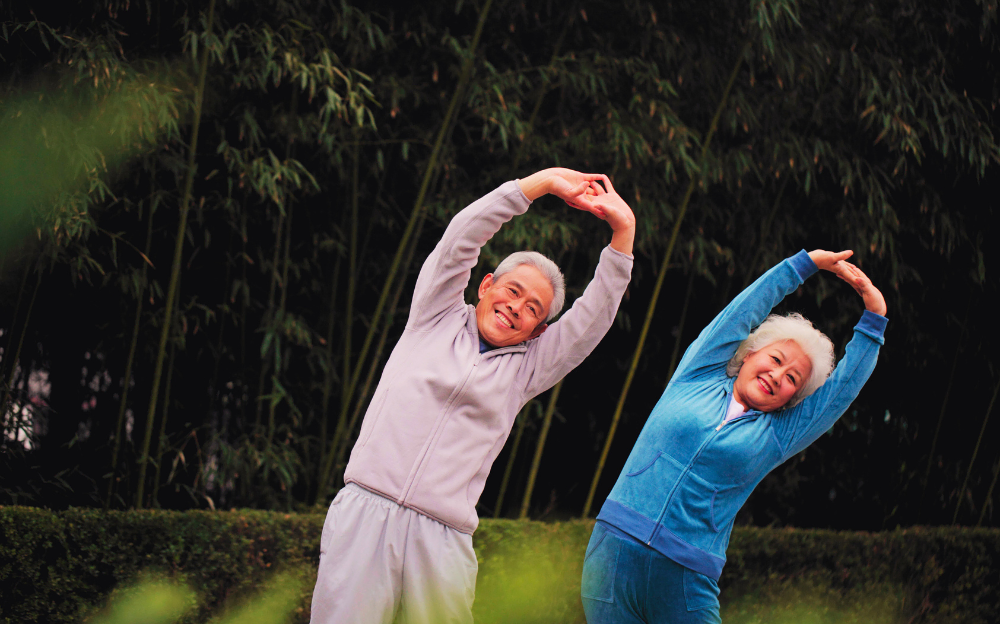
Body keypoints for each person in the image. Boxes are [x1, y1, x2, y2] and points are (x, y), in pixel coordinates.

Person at [310, 168, 636, 624]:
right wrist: (539, 184)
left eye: (532, 310)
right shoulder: (434, 315)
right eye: (511, 291)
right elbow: (460, 238)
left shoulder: (527, 367)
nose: (515, 308)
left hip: (442, 537)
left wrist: (623, 232)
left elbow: (592, 319)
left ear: (539, 330)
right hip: (367, 510)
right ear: (485, 286)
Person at [583, 249, 888, 624]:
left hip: (686, 575)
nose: (778, 376)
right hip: (612, 552)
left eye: (792, 378)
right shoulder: (697, 375)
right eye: (776, 360)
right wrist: (803, 265)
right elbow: (742, 312)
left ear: (792, 397)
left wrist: (874, 318)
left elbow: (841, 390)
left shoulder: (779, 433)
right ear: (749, 354)